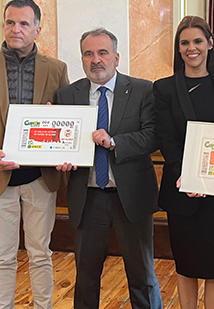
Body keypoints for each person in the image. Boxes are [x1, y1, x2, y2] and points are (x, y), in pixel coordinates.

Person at [0, 0, 69, 308]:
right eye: (10, 22)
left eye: (23, 23)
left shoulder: (57, 69)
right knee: (3, 256)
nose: (15, 29)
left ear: (37, 29)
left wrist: (56, 121)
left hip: (39, 179)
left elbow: (67, 121)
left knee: (40, 253)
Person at [56, 28, 162, 309]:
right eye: (88, 54)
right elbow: (62, 141)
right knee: (86, 276)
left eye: (102, 52)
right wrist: (61, 154)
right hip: (87, 196)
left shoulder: (142, 90)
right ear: (82, 59)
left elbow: (152, 135)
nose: (96, 60)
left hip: (131, 195)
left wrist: (114, 142)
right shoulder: (67, 94)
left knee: (141, 274)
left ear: (116, 57)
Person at [153, 16, 214, 309]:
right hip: (183, 190)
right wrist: (190, 177)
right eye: (185, 43)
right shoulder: (164, 88)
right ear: (179, 49)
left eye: (198, 41)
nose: (192, 48)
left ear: (210, 44)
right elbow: (167, 140)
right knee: (187, 265)